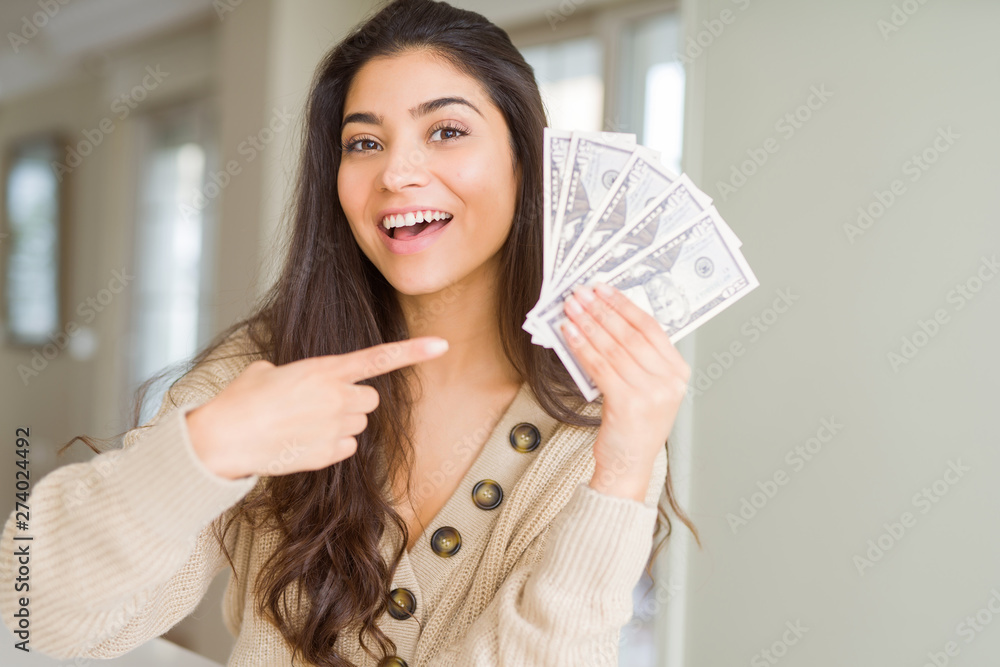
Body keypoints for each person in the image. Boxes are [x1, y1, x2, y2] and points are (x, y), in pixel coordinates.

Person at [0, 0, 698, 665]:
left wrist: (626, 466)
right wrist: (210, 446)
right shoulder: (265, 371)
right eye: (364, 142)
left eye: (446, 131)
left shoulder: (595, 423)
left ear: (526, 159)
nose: (396, 172)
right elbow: (33, 605)